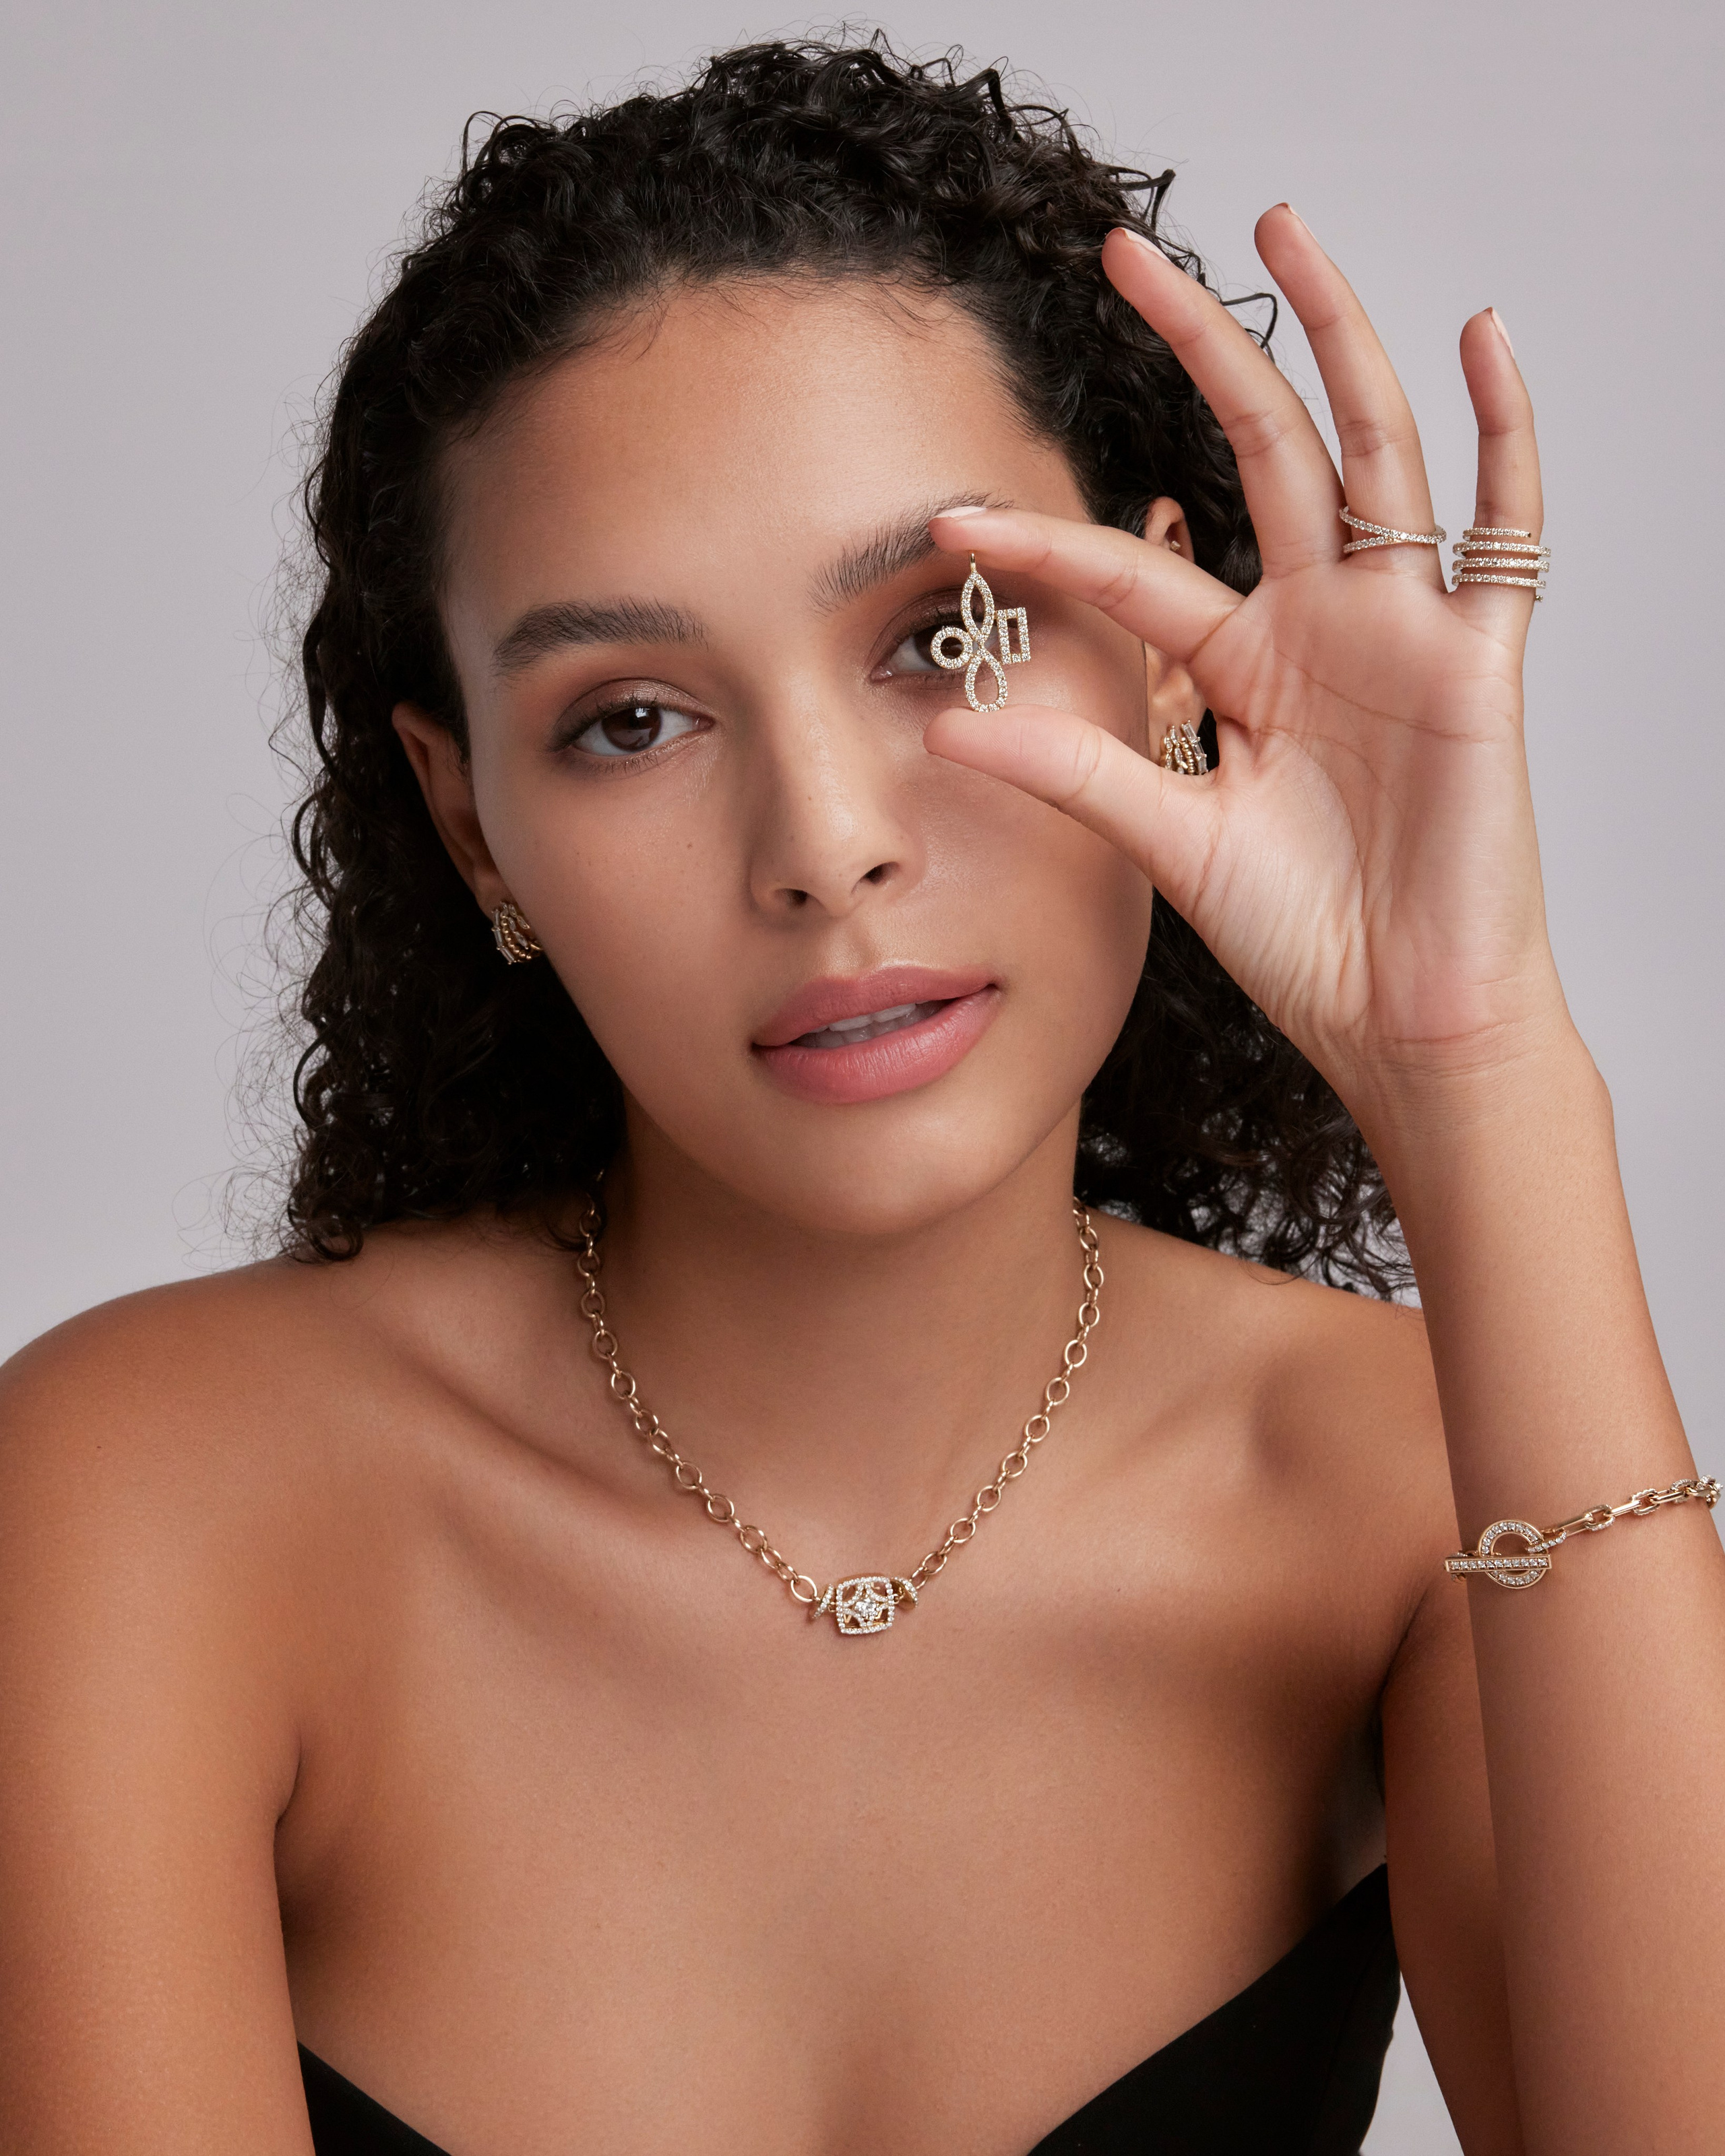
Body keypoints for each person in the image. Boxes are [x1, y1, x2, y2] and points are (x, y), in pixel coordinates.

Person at [1, 36, 1719, 2156]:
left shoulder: (1411, 1498)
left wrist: (1483, 1072)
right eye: (630, 717)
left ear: (1174, 645)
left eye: (950, 627)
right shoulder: (148, 1501)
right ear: (470, 826)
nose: (827, 844)